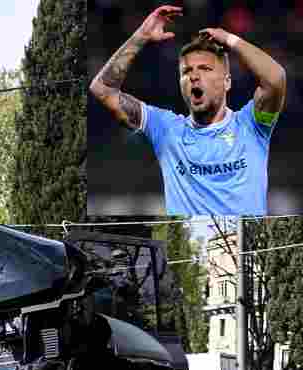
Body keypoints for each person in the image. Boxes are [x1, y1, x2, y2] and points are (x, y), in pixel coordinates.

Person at [90, 5, 287, 216]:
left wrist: (230, 39)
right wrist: (142, 35)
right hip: (192, 245)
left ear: (227, 81)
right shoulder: (167, 130)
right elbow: (102, 89)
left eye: (205, 69)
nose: (194, 76)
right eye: (186, 71)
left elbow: (275, 79)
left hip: (242, 245)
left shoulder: (251, 125)